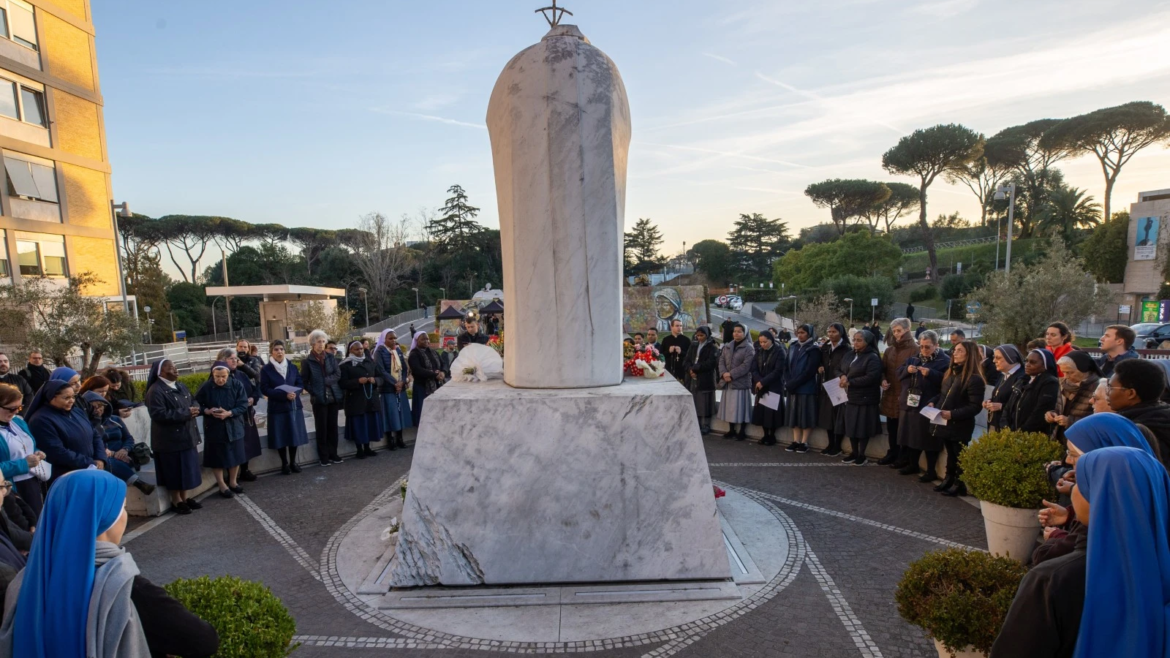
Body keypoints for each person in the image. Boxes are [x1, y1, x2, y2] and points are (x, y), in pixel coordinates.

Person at [0, 469, 220, 658]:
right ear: (103, 519)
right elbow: (203, 641)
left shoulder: (23, 581)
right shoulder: (124, 586)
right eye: (121, 508)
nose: (124, 516)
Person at [991, 446, 1170, 658]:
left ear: (1101, 497)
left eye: (1081, 484)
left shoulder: (1052, 579)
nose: (1073, 489)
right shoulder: (1157, 562)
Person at [1034, 413, 1156, 565]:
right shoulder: (1145, 497)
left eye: (1073, 454)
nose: (1067, 460)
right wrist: (1071, 516)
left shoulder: (1114, 509)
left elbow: (1079, 554)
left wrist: (1056, 538)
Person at [927, 340, 986, 496]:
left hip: (960, 424)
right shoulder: (951, 373)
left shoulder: (974, 379)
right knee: (950, 453)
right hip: (945, 421)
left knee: (959, 454)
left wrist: (952, 414)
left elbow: (975, 406)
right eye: (955, 350)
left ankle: (959, 483)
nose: (955, 353)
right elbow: (944, 394)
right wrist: (933, 401)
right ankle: (948, 478)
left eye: (960, 350)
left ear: (969, 355)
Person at [144, 360, 202, 515]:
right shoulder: (155, 391)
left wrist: (196, 408)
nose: (175, 370)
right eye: (171, 368)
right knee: (175, 471)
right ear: (160, 372)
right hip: (169, 440)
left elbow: (193, 399)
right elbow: (158, 414)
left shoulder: (180, 386)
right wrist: (186, 413)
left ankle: (185, 497)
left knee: (187, 470)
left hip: (187, 435)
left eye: (175, 367)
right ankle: (176, 500)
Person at [25, 379, 104, 485]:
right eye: (66, 398)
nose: (72, 401)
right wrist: (90, 463)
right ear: (51, 397)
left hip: (91, 469)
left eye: (73, 397)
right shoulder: (40, 420)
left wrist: (100, 458)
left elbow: (95, 435)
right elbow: (56, 451)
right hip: (66, 477)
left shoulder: (77, 412)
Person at [894, 330, 950, 477]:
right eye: (921, 346)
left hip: (929, 405)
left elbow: (947, 383)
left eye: (928, 347)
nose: (924, 350)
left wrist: (931, 374)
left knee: (928, 438)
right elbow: (898, 374)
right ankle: (913, 465)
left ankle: (931, 470)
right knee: (911, 436)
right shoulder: (914, 359)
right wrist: (907, 369)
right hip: (911, 404)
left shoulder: (944, 361)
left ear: (936, 345)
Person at [80, 390, 154, 496]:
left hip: (125, 454)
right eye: (94, 407)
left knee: (118, 463)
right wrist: (114, 453)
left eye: (100, 405)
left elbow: (128, 438)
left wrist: (125, 450)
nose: (98, 409)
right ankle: (137, 482)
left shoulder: (115, 420)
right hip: (107, 456)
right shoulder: (87, 425)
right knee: (109, 462)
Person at [194, 362, 246, 498]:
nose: (220, 379)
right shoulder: (206, 386)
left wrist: (229, 413)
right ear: (212, 374)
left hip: (234, 425)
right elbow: (196, 403)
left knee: (236, 455)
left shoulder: (237, 385)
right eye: (217, 376)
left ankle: (233, 482)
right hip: (214, 426)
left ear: (228, 375)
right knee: (217, 458)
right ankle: (222, 484)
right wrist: (207, 410)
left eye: (223, 376)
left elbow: (243, 404)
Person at [260, 340, 309, 475]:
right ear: (271, 352)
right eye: (276, 349)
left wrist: (296, 392)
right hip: (277, 408)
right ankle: (284, 463)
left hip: (293, 406)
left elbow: (299, 382)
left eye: (281, 349)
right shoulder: (266, 369)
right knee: (280, 436)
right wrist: (283, 395)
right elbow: (264, 389)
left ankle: (293, 462)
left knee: (294, 435)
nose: (279, 352)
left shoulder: (292, 367)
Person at [1108, 358, 1170, 466]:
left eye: (1110, 388)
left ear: (1131, 393)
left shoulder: (1138, 431)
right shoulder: (1162, 415)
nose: (1107, 393)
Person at [836, 330, 883, 466]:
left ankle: (862, 454)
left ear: (867, 342)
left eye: (859, 340)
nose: (855, 343)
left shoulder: (872, 357)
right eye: (854, 340)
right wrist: (842, 376)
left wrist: (851, 382)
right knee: (851, 426)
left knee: (862, 427)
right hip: (850, 397)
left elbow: (871, 377)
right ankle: (854, 452)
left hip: (865, 398)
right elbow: (838, 368)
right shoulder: (850, 354)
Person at [0, 384, 45, 517]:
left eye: (19, 407)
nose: (16, 412)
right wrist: (24, 464)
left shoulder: (18, 422)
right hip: (10, 487)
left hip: (31, 481)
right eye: (12, 408)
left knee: (38, 520)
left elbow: (28, 444)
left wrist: (37, 452)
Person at [877, 318, 917, 466]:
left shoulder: (915, 349)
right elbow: (883, 370)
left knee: (904, 427)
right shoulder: (889, 350)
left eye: (899, 330)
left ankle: (903, 455)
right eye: (894, 331)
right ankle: (892, 452)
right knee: (892, 426)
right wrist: (883, 380)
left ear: (907, 330)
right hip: (890, 392)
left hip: (904, 394)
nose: (896, 334)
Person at [301, 330, 343, 467]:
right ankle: (324, 456)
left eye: (323, 341)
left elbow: (337, 374)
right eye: (318, 341)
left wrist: (325, 382)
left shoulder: (330, 357)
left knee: (333, 427)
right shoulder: (307, 361)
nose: (321, 344)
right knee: (322, 428)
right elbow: (304, 381)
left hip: (333, 395)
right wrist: (315, 391)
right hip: (319, 399)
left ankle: (334, 453)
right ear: (313, 343)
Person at [1046, 352, 1101, 446]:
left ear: (1084, 369)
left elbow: (1099, 421)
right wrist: (1051, 414)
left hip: (1081, 442)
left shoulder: (1099, 387)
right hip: (1060, 438)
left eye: (1070, 372)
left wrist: (1070, 421)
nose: (1066, 376)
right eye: (1063, 372)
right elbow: (1059, 408)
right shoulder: (1063, 383)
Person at [339, 341, 382, 459]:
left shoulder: (369, 361)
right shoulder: (345, 365)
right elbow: (342, 383)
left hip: (370, 398)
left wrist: (375, 380)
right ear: (350, 351)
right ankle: (359, 449)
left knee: (369, 423)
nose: (360, 351)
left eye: (362, 349)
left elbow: (380, 377)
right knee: (359, 425)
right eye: (357, 349)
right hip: (356, 400)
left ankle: (368, 447)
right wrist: (357, 381)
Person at [225, 352, 261, 482]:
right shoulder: (219, 376)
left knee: (247, 443)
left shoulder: (242, 374)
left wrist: (252, 398)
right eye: (231, 358)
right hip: (232, 417)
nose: (234, 361)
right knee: (233, 446)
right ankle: (231, 476)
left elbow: (256, 388)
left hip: (246, 415)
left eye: (236, 359)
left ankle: (245, 470)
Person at [373, 329, 412, 451]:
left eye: (395, 338)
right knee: (390, 413)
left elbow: (404, 368)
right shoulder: (379, 352)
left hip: (399, 387)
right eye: (390, 338)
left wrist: (402, 381)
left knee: (400, 413)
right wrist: (395, 383)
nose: (393, 340)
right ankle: (390, 439)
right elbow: (381, 370)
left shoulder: (397, 350)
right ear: (384, 339)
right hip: (388, 388)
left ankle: (400, 438)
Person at [785, 324, 821, 451]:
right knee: (793, 415)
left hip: (806, 387)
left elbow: (810, 371)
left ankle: (804, 442)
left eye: (803, 332)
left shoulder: (813, 349)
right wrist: (788, 382)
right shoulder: (793, 346)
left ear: (809, 334)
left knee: (806, 415)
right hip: (792, 387)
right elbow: (786, 366)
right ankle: (795, 440)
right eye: (798, 332)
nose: (799, 335)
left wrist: (794, 383)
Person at [716, 323, 755, 441]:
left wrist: (731, 374)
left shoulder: (749, 348)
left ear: (745, 333)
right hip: (727, 382)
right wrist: (723, 374)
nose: (736, 334)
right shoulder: (727, 346)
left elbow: (746, 365)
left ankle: (742, 431)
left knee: (742, 407)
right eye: (734, 331)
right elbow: (721, 361)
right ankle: (731, 429)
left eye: (739, 331)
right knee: (729, 407)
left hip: (740, 382)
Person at [1007, 349, 1060, 434]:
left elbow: (1039, 413)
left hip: (1031, 435)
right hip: (1014, 430)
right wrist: (1006, 427)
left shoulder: (1050, 383)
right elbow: (1009, 405)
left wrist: (1021, 432)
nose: (1027, 365)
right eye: (1026, 361)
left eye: (1033, 362)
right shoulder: (1023, 380)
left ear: (1045, 365)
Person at [816, 323, 850, 456]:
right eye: (829, 332)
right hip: (826, 384)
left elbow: (846, 366)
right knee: (827, 417)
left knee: (838, 417)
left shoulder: (846, 349)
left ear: (841, 333)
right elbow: (820, 361)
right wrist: (819, 367)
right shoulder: (826, 347)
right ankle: (830, 444)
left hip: (839, 386)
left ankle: (837, 445)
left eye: (834, 332)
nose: (831, 334)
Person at [750, 330, 785, 446]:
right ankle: (765, 434)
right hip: (761, 386)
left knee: (772, 413)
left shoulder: (779, 351)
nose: (763, 344)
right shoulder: (759, 352)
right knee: (762, 412)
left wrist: (763, 382)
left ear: (771, 340)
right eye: (760, 342)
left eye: (765, 342)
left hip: (773, 386)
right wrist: (759, 381)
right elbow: (753, 368)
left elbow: (778, 370)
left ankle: (772, 435)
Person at [684, 327, 719, 434]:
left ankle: (706, 425)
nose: (699, 338)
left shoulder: (712, 347)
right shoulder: (693, 345)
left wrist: (696, 368)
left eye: (702, 335)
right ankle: (696, 424)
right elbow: (687, 360)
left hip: (705, 377)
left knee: (705, 402)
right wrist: (690, 369)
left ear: (707, 335)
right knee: (695, 400)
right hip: (693, 378)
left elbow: (711, 363)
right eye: (697, 335)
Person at [983, 345, 1026, 431]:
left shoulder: (1022, 377)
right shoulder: (1003, 374)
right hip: (995, 421)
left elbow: (1023, 405)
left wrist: (1001, 406)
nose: (994, 361)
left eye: (998, 358)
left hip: (1009, 426)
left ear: (1010, 358)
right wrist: (990, 401)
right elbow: (1000, 394)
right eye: (994, 357)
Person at [408, 332, 445, 427]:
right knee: (423, 412)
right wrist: (434, 374)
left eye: (427, 339)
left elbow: (443, 364)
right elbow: (417, 370)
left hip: (436, 386)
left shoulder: (433, 352)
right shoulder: (414, 354)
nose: (426, 341)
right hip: (422, 387)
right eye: (423, 339)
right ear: (416, 341)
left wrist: (443, 372)